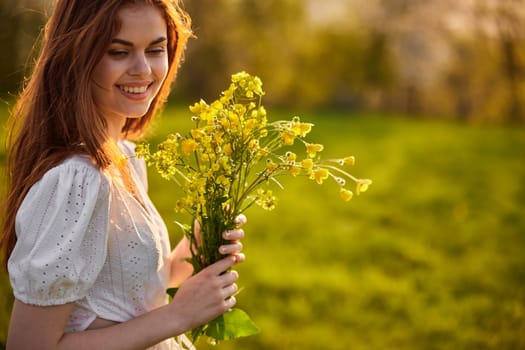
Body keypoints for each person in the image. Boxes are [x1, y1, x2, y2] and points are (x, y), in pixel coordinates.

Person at [0, 0, 246, 349]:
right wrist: (178, 316)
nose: (143, 69)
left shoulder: (125, 154)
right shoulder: (74, 181)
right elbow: (30, 346)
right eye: (119, 52)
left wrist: (197, 247)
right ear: (78, 56)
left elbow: (130, 294)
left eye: (156, 49)